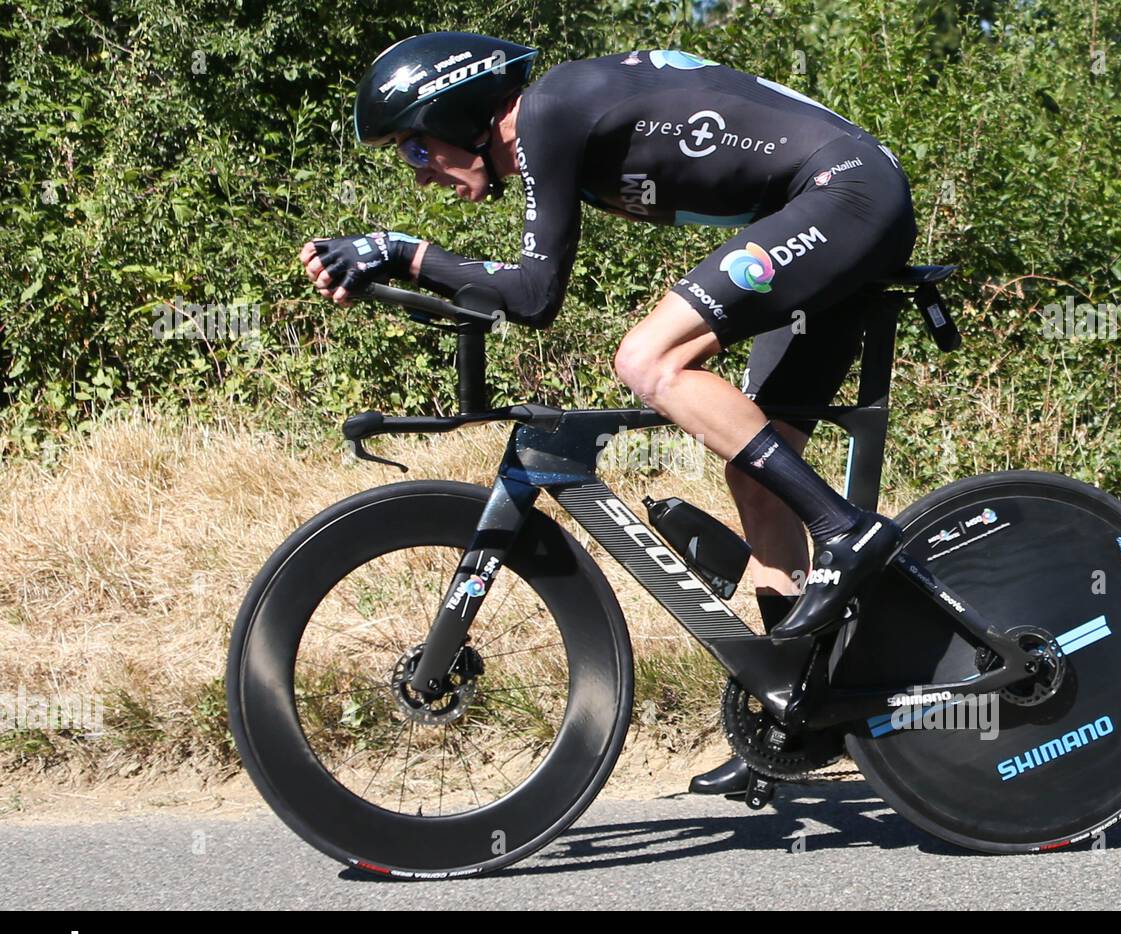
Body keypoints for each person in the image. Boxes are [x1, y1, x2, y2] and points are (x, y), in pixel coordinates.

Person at [301, 32, 917, 795]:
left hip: (845, 193)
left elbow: (534, 295)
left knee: (647, 360)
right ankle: (797, 712)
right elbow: (528, 285)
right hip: (834, 201)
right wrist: (402, 255)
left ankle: (847, 530)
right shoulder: (555, 124)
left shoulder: (547, 113)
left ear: (458, 113)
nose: (419, 175)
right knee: (757, 478)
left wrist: (402, 249)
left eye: (415, 150)